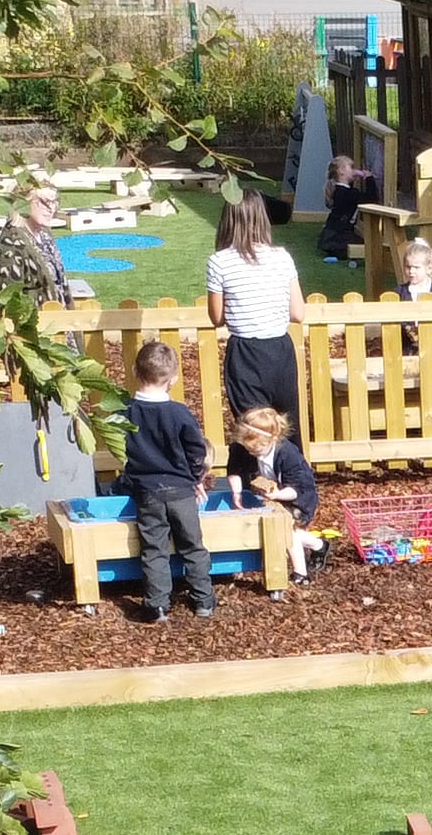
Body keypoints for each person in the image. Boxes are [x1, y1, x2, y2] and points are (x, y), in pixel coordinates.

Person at [117, 339, 215, 623]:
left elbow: (122, 447)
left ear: (135, 370)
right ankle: (203, 600)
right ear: (173, 379)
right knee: (193, 545)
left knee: (154, 549)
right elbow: (196, 451)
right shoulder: (179, 413)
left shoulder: (127, 411)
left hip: (146, 492)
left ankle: (157, 605)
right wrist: (195, 477)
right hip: (181, 492)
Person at [204, 194, 303, 432]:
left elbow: (216, 318)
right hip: (280, 350)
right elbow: (298, 312)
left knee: (251, 430)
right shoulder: (282, 257)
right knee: (285, 427)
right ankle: (290, 469)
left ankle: (248, 470)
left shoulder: (219, 261)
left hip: (245, 353)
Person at [227, 405, 321, 585]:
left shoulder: (288, 454)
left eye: (257, 450)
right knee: (271, 528)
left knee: (287, 530)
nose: (252, 453)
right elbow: (235, 470)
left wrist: (278, 494)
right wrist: (237, 493)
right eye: (249, 449)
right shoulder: (241, 448)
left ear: (273, 439)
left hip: (296, 496)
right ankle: (318, 545)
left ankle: (301, 573)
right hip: (269, 493)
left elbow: (298, 487)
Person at [0, 182, 74, 306]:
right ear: (24, 204)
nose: (51, 209)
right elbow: (3, 299)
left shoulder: (44, 235)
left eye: (54, 202)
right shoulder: (12, 244)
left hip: (58, 319)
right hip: (34, 321)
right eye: (44, 202)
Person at [318, 154, 372, 266]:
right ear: (341, 171)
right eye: (351, 167)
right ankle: (339, 251)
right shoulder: (346, 193)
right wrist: (369, 179)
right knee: (366, 246)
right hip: (337, 235)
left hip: (333, 232)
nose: (354, 170)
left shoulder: (342, 191)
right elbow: (370, 199)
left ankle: (337, 251)